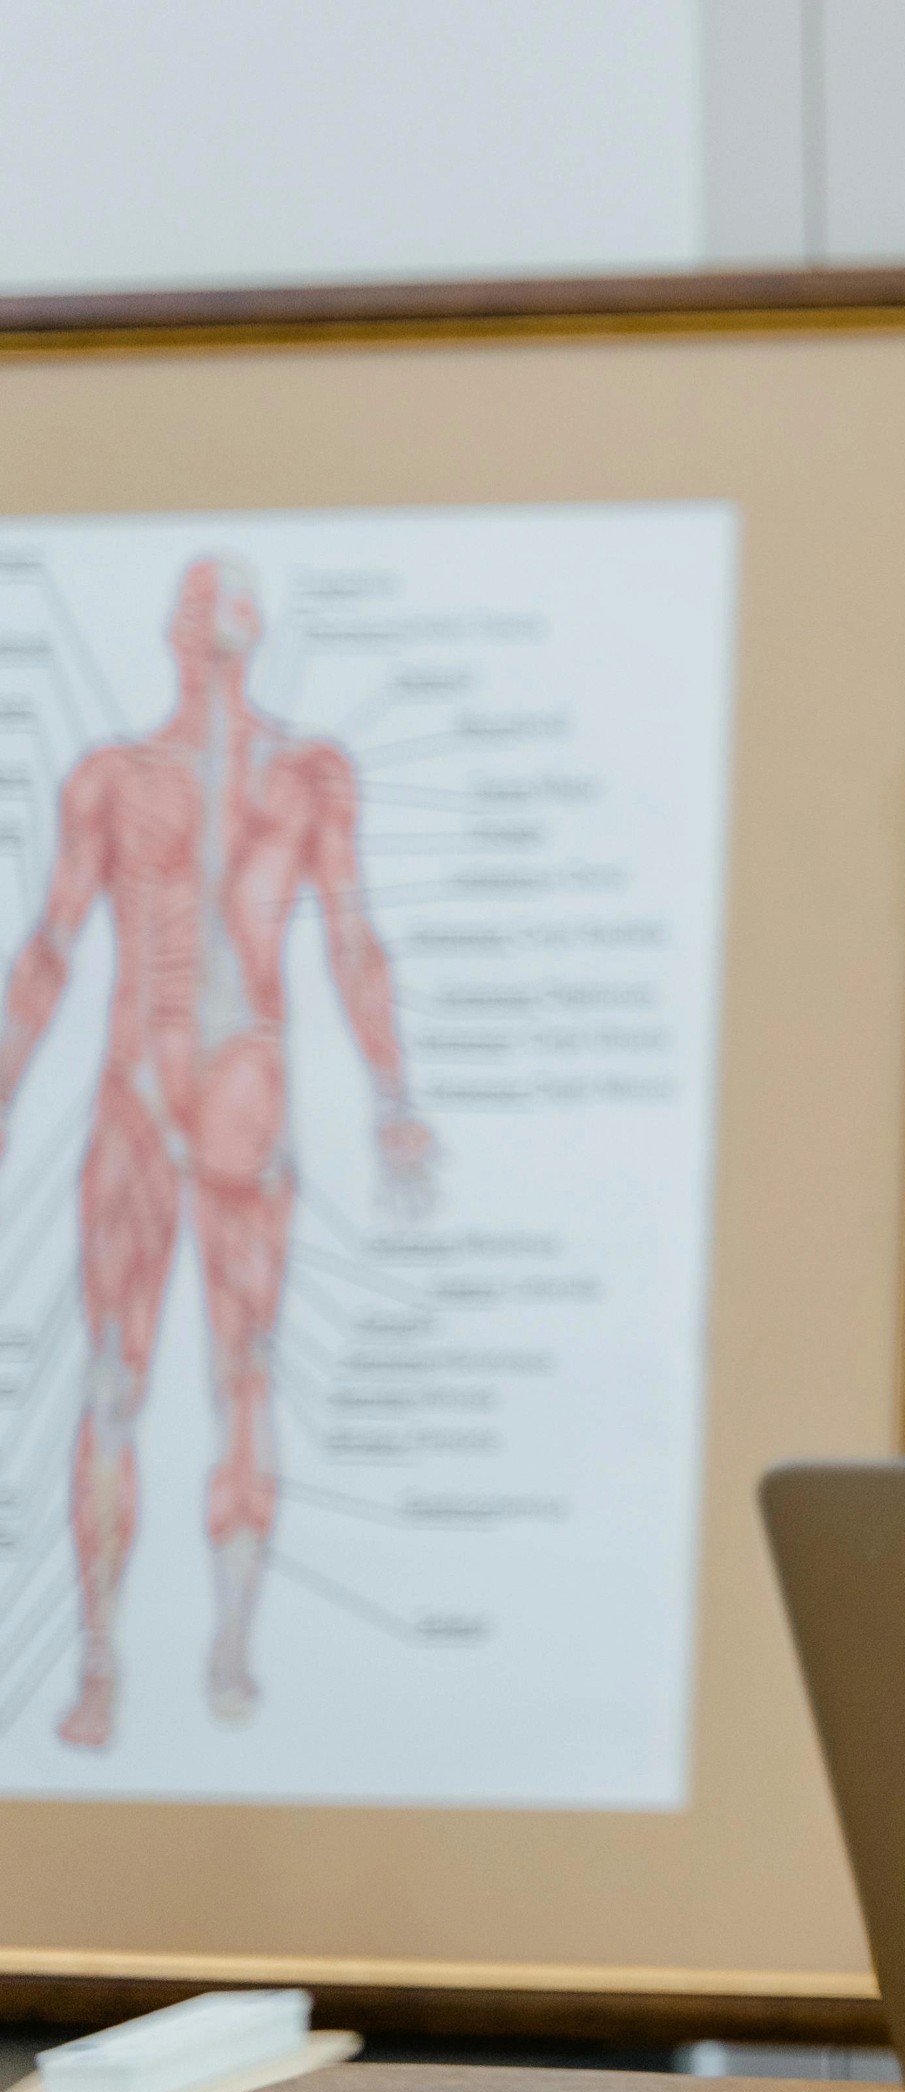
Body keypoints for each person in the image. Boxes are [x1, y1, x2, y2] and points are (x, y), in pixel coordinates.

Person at [0, 554, 436, 1751]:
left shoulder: (301, 776)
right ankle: (123, 1661)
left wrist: (397, 1094)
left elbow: (352, 937)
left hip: (217, 1085)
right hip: (167, 1091)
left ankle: (208, 1649)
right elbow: (49, 946)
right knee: (130, 1377)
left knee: (220, 1374)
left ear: (195, 637)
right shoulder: (124, 778)